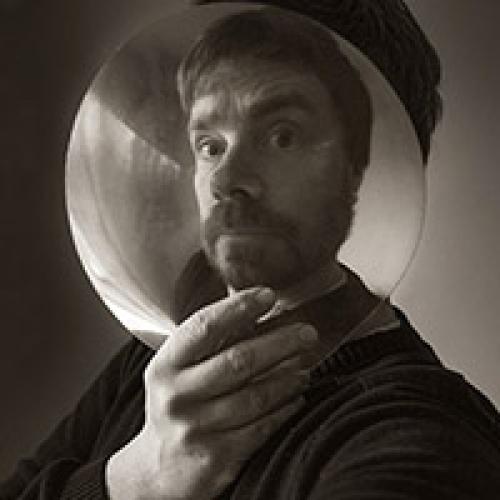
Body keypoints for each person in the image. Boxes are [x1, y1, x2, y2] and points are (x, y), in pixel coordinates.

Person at [2, 2, 500, 499]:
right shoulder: (171, 353)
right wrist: (132, 480)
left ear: (360, 164)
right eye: (210, 145)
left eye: (282, 136)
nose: (226, 180)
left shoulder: (423, 433)